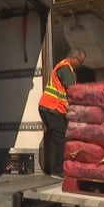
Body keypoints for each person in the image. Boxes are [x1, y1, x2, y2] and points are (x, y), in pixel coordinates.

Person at [38, 47, 86, 179]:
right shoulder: (65, 68)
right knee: (61, 138)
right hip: (51, 108)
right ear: (74, 59)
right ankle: (57, 171)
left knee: (58, 137)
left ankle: (56, 168)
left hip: (51, 108)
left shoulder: (65, 68)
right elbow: (71, 91)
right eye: (80, 62)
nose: (80, 65)